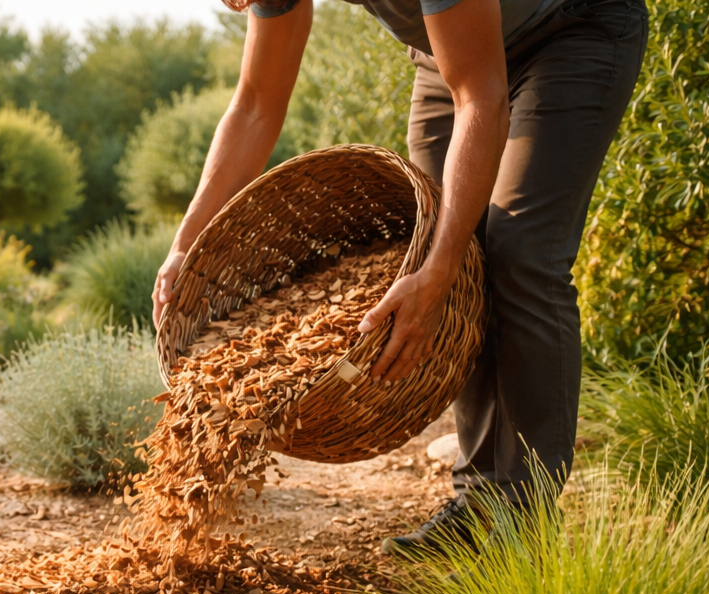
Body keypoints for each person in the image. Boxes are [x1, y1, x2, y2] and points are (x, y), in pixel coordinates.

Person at [152, 0, 648, 557]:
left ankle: (523, 519)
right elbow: (254, 107)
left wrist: (439, 271)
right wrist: (184, 244)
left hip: (569, 33)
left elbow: (481, 98)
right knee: (457, 259)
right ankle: (479, 502)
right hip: (449, 58)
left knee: (520, 252)